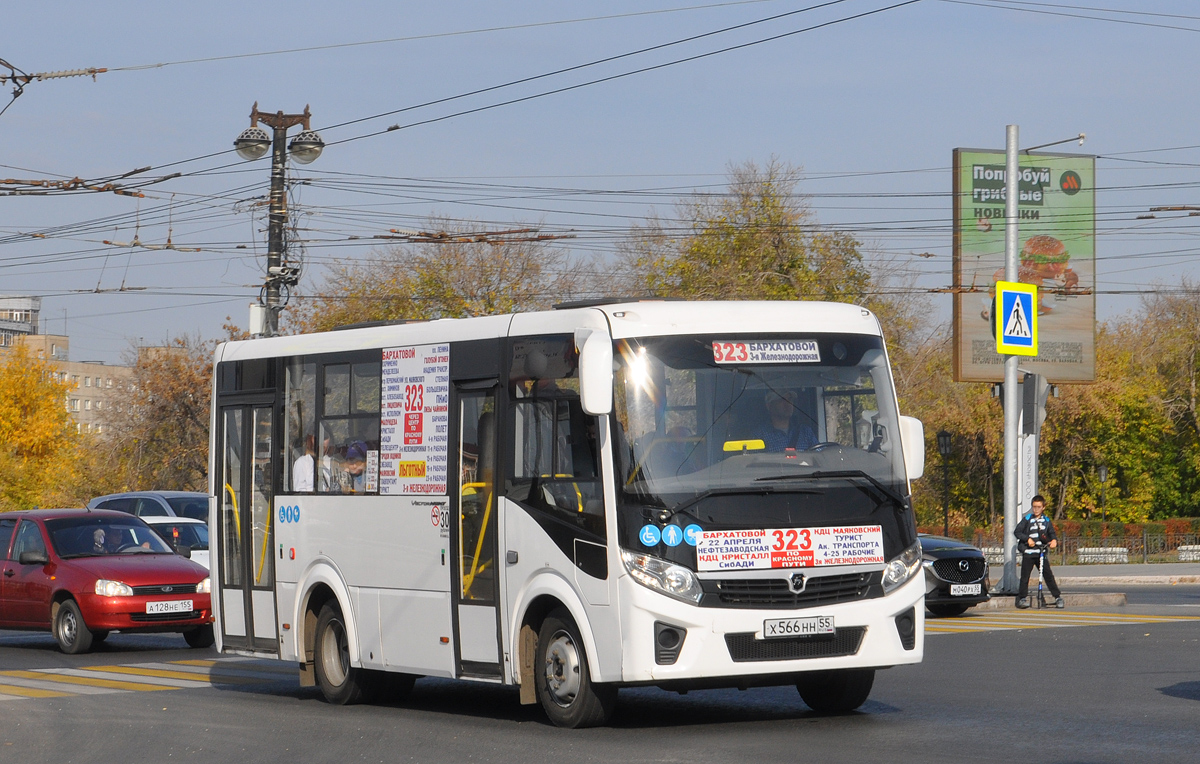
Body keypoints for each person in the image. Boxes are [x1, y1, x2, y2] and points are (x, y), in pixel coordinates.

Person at [1015, 494, 1064, 609]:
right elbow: (1017, 532)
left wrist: (1054, 541)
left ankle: (1057, 597)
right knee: (1025, 577)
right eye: (1034, 507)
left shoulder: (1046, 520)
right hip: (1028, 553)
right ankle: (1022, 598)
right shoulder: (1027, 519)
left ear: (1043, 507)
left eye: (1038, 507)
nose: (1036, 509)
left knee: (1048, 576)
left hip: (1041, 553)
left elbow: (1052, 534)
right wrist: (1027, 539)